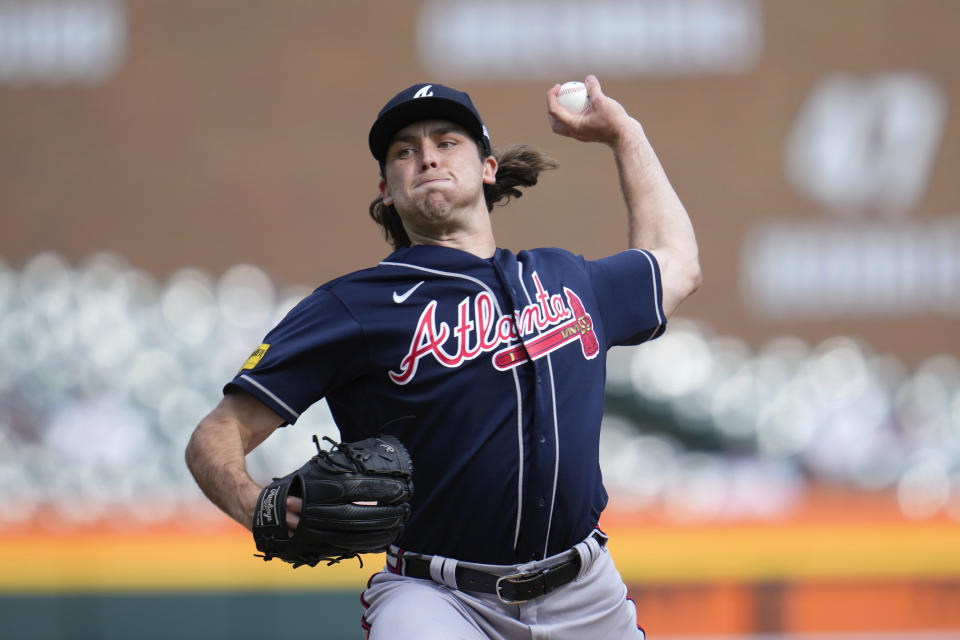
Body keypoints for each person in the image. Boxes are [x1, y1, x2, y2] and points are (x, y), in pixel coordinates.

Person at [185, 75, 700, 639]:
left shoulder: (565, 278)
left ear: (488, 167)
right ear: (387, 188)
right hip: (436, 596)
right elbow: (217, 432)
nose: (427, 157)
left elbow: (674, 263)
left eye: (447, 142)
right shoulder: (355, 305)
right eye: (406, 152)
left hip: (584, 592)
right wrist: (254, 503)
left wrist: (626, 134)